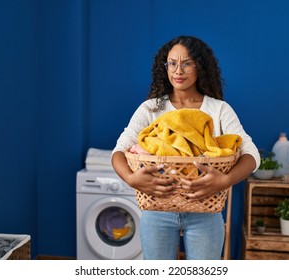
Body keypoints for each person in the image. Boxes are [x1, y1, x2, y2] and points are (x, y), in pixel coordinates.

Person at [111, 35, 260, 260]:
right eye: (172, 63)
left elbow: (251, 154)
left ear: (200, 66)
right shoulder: (151, 109)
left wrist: (226, 180)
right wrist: (131, 179)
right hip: (157, 210)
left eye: (187, 63)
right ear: (166, 67)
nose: (178, 70)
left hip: (205, 210)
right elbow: (119, 152)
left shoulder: (219, 110)